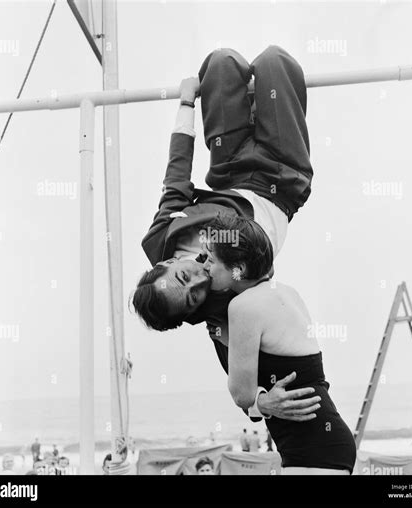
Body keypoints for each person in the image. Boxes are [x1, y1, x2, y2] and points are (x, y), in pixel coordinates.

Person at [133, 46, 319, 423]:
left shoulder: (159, 239)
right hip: (279, 181)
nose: (200, 279)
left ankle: (247, 105)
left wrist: (186, 103)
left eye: (184, 276)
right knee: (274, 62)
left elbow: (176, 176)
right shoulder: (222, 312)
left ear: (166, 262)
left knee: (221, 63)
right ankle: (263, 107)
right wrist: (258, 405)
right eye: (194, 298)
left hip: (231, 169)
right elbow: (241, 380)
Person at [204, 214, 357, 474]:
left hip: (311, 453)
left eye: (211, 259)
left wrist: (260, 403)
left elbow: (242, 394)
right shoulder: (286, 292)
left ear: (237, 268)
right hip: (325, 443)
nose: (205, 265)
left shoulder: (243, 306)